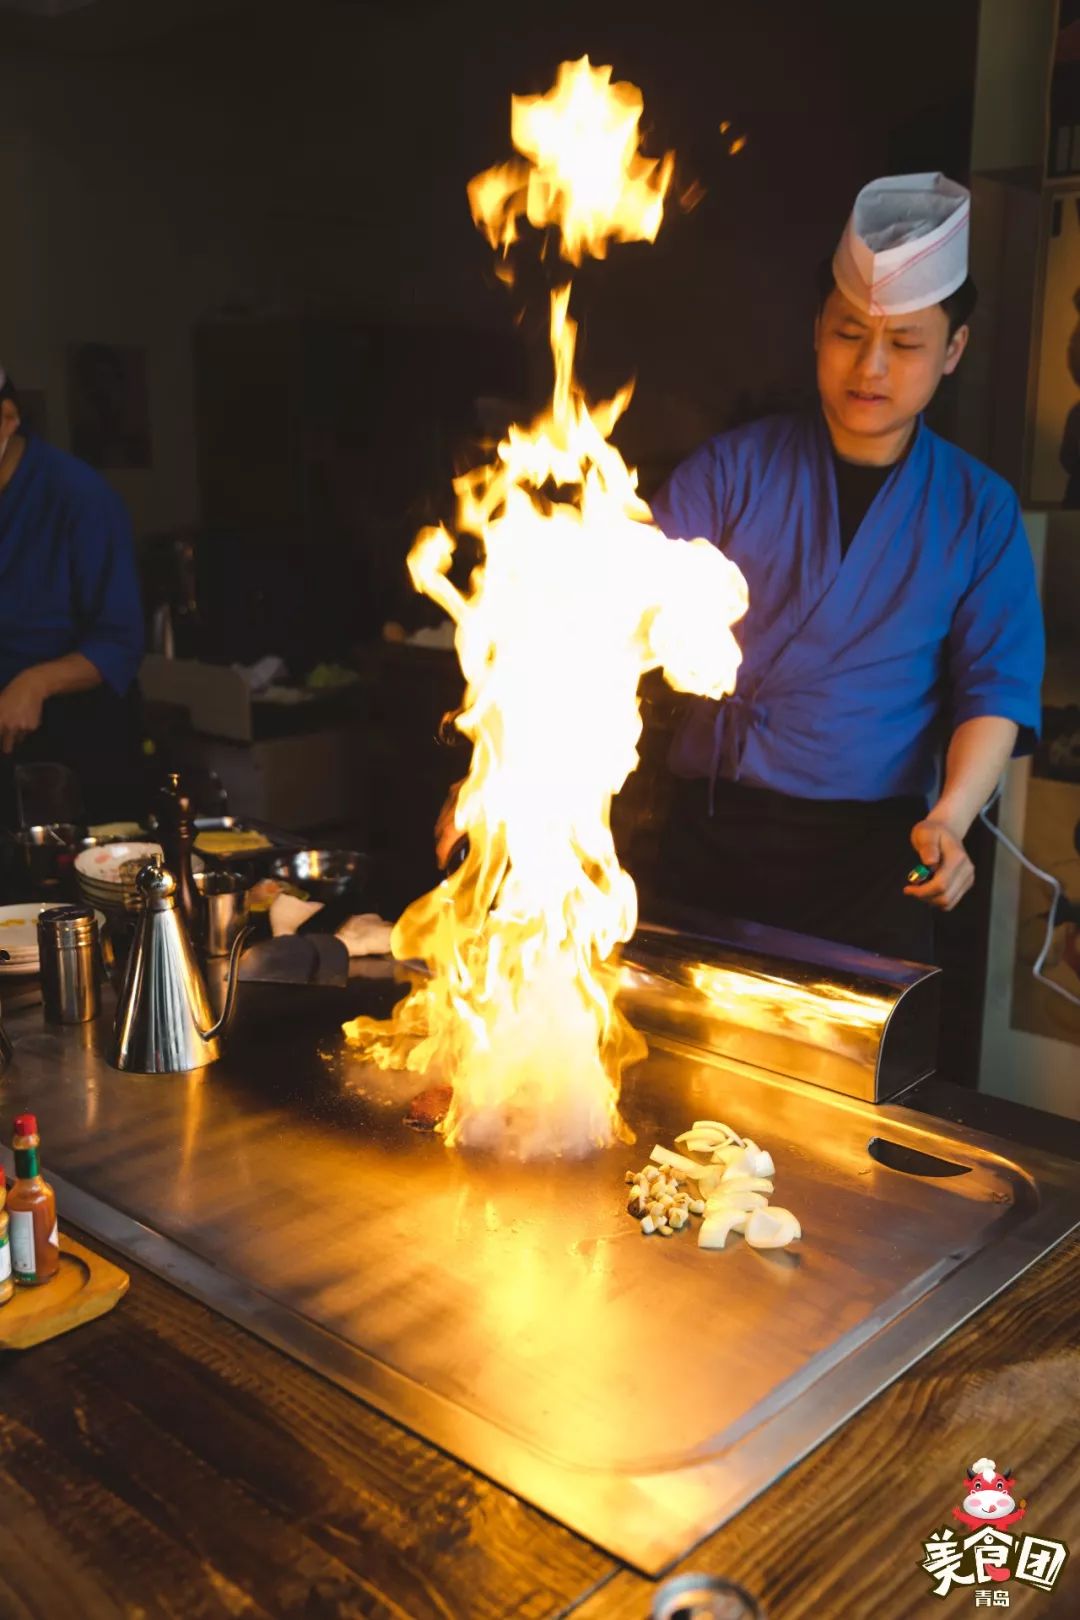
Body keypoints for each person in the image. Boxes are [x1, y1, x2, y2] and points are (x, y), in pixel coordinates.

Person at [643, 172, 1044, 961]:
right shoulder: (730, 471)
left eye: (903, 344)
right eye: (848, 333)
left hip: (867, 856)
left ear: (953, 349)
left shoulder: (978, 510)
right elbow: (606, 619)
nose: (870, 368)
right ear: (815, 330)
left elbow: (994, 689)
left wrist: (952, 818)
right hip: (704, 833)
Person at [0, 368, 145, 825]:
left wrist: (35, 683)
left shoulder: (77, 496)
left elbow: (120, 639)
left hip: (74, 739)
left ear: (7, 419)